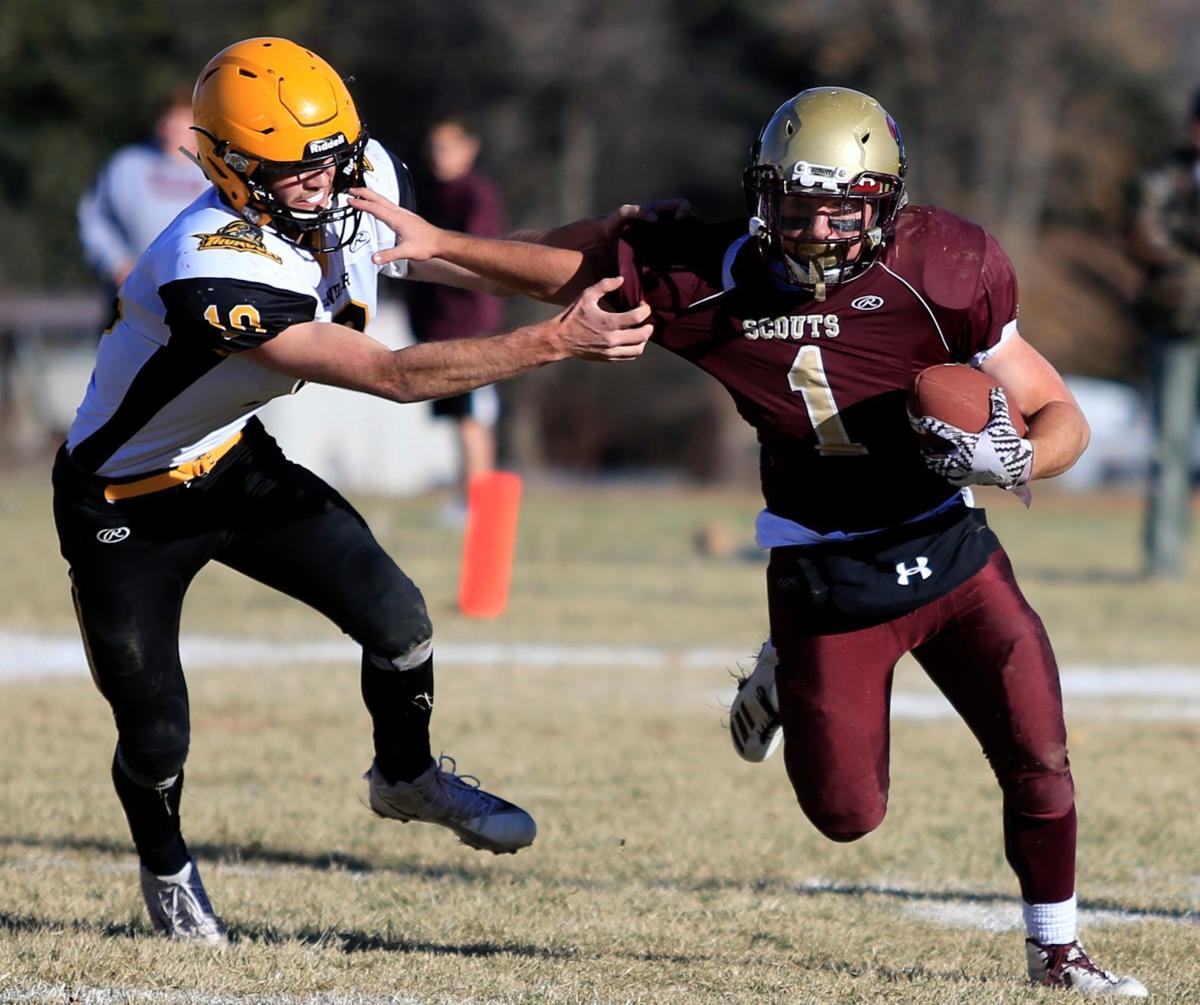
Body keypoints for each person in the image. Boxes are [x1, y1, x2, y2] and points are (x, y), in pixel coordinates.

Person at [355, 87, 1147, 995]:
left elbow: (1062, 413)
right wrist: (438, 246)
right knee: (848, 814)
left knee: (1039, 754)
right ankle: (783, 668)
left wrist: (1016, 457)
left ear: (882, 206)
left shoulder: (946, 268)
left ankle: (1058, 950)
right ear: (761, 192)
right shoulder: (708, 272)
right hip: (824, 568)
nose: (811, 228)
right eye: (793, 202)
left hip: (951, 549)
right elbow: (554, 274)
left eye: (836, 207)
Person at [52, 37, 651, 945]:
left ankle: (403, 776)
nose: (323, 182)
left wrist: (610, 239)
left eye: (331, 156)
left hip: (229, 459)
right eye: (293, 170)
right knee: (156, 729)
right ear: (229, 166)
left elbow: (465, 259)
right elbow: (393, 374)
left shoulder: (353, 172)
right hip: (121, 502)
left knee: (400, 619)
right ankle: (167, 866)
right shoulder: (207, 265)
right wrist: (554, 342)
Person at [405, 117, 506, 519]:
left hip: (469, 324)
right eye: (434, 148)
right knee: (455, 417)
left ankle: (478, 504)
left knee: (471, 417)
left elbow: (478, 255)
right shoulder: (428, 193)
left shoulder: (475, 196)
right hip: (436, 322)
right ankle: (465, 496)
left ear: (469, 148)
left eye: (447, 147)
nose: (438, 157)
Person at [1130, 86, 1200, 578]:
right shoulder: (1161, 176)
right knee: (1169, 447)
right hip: (1176, 326)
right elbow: (1146, 238)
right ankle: (1162, 561)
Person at [77, 86, 212, 294]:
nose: (171, 128)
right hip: (131, 293)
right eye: (167, 120)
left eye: (180, 121)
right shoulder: (126, 164)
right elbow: (94, 218)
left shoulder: (216, 173)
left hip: (200, 290)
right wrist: (116, 263)